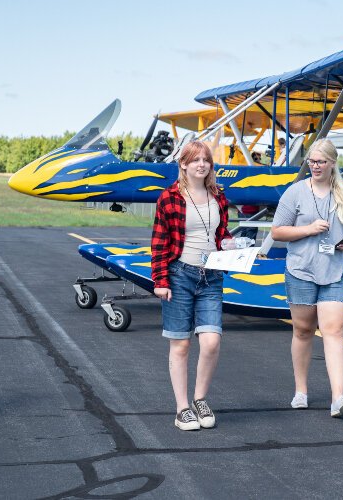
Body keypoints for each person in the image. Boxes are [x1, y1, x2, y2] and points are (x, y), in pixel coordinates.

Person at [271, 138, 343, 418]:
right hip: (301, 269)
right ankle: (301, 391)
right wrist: (308, 229)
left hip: (336, 269)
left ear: (333, 163)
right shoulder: (295, 193)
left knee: (334, 331)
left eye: (321, 161)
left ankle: (338, 397)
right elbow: (277, 232)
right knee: (303, 330)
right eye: (311, 161)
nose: (315, 166)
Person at [151, 140, 232, 431]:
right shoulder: (169, 198)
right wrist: (160, 280)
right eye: (195, 160)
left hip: (211, 275)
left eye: (206, 160)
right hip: (179, 274)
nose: (201, 164)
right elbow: (159, 243)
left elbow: (221, 233)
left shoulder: (218, 196)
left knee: (211, 342)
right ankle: (181, 408)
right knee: (181, 343)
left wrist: (232, 245)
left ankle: (200, 399)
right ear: (183, 164)